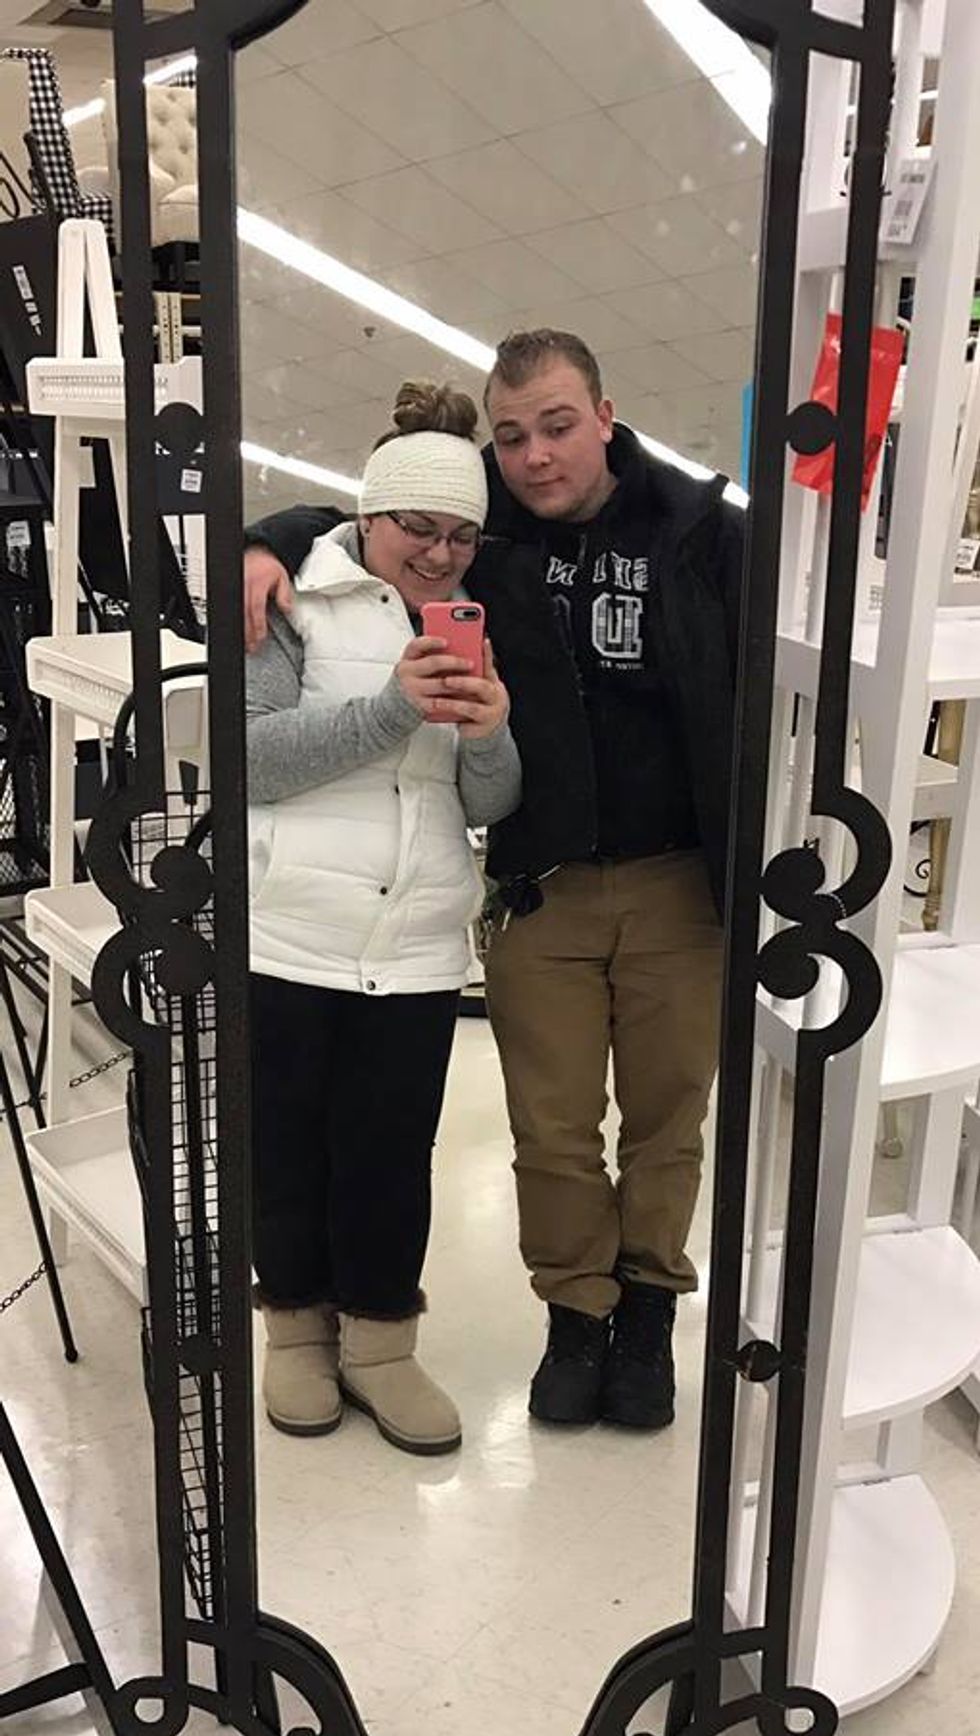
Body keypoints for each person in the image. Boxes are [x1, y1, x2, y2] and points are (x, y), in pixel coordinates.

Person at [244, 329, 743, 1434]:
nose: (534, 456)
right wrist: (260, 536)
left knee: (665, 1120)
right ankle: (574, 1319)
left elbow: (779, 660)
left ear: (604, 415)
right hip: (533, 883)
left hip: (670, 879)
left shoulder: (698, 530)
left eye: (557, 426)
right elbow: (375, 509)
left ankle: (646, 1318)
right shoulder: (472, 532)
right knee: (548, 1128)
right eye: (511, 436)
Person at [247, 380, 519, 1456]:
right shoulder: (288, 599)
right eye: (418, 527)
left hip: (415, 946)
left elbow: (488, 802)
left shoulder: (473, 621)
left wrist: (489, 735)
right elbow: (250, 760)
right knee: (286, 1149)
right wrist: (393, 707)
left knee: (390, 1156)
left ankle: (380, 1346)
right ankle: (295, 1334)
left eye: (462, 536)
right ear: (368, 514)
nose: (441, 555)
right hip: (289, 932)